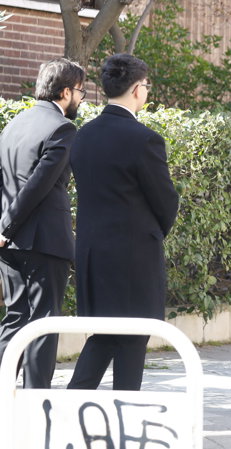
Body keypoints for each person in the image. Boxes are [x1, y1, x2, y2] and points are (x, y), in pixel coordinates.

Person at [67, 54, 179, 391]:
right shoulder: (144, 139)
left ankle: (71, 406)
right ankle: (125, 413)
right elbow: (166, 202)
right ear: (136, 88)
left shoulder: (83, 135)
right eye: (146, 85)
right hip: (133, 256)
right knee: (132, 338)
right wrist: (153, 232)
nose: (146, 91)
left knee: (104, 335)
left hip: (91, 253)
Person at [0, 58, 85, 388]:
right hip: (45, 243)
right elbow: (39, 184)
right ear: (65, 92)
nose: (81, 99)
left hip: (9, 243)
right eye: (80, 91)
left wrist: (4, 229)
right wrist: (7, 227)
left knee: (16, 318)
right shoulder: (62, 128)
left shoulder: (13, 125)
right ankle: (36, 402)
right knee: (44, 323)